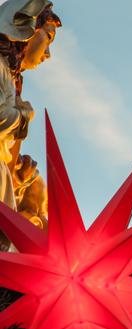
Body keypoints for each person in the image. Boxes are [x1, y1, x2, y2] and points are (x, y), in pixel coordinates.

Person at [0, 0, 61, 229]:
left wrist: (17, 181)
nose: (48, 54)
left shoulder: (10, 78)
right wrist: (24, 116)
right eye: (48, 37)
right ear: (26, 28)